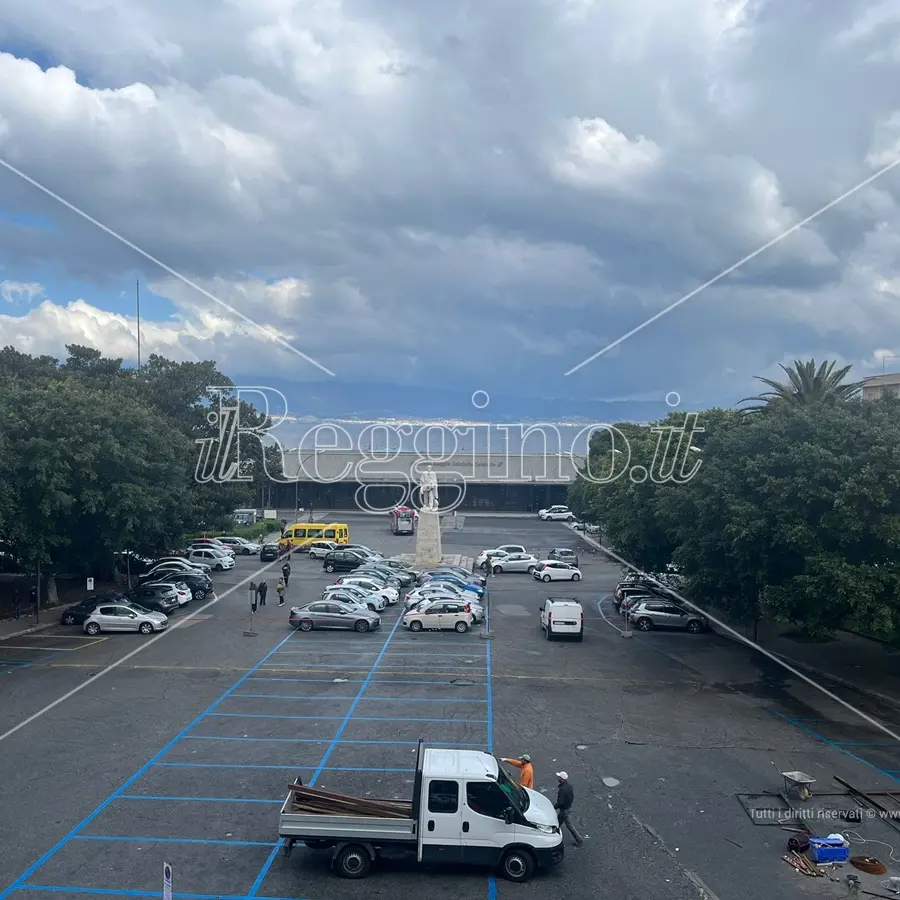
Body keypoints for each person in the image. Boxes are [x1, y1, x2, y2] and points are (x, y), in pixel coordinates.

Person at [554, 772, 584, 846]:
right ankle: (579, 840)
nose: (558, 778)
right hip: (567, 808)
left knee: (558, 824)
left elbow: (560, 802)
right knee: (567, 824)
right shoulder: (569, 786)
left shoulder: (562, 790)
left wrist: (554, 807)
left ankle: (554, 840)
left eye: (559, 777)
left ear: (562, 779)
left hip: (564, 810)